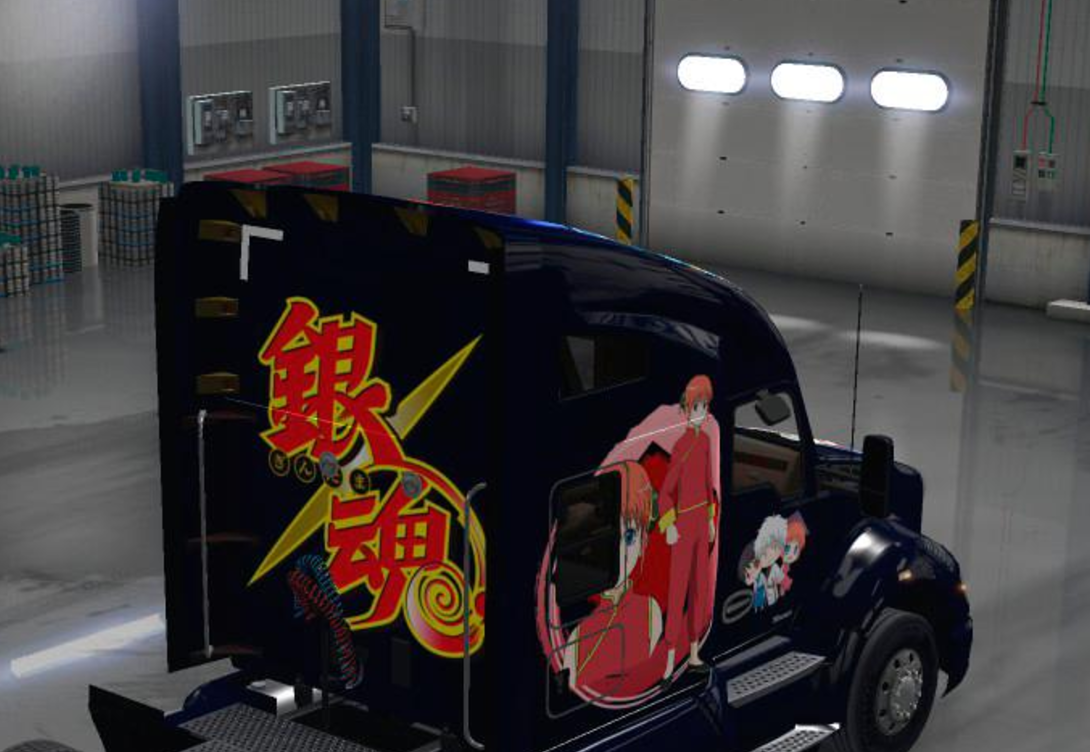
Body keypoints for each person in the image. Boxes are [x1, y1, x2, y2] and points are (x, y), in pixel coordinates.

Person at [658, 375, 719, 679]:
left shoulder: (705, 441)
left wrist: (709, 518)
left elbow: (708, 483)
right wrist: (669, 524)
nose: (701, 412)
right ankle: (669, 660)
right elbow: (666, 491)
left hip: (699, 521)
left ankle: (694, 654)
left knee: (699, 589)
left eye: (704, 406)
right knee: (678, 589)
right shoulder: (681, 445)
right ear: (686, 409)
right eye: (697, 406)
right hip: (683, 523)